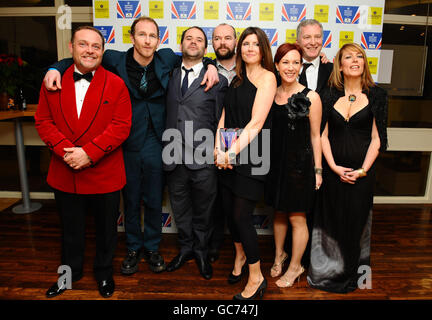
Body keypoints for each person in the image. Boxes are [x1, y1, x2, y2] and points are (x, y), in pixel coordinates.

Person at [43, 16, 219, 276]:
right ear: (132, 37)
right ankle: (134, 248)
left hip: (159, 141)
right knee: (131, 199)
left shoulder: (167, 57)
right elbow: (80, 58)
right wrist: (54, 68)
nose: (147, 40)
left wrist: (211, 64)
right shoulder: (114, 58)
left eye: (152, 36)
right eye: (142, 35)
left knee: (154, 199)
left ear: (158, 40)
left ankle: (152, 248)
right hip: (125, 141)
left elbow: (194, 56)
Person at [35, 26, 132, 298]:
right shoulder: (52, 81)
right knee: (70, 232)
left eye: (96, 46)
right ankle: (68, 275)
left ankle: (104, 275)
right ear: (71, 48)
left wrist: (89, 153)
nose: (89, 50)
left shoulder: (116, 83)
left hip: (104, 172)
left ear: (102, 51)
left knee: (106, 232)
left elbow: (121, 125)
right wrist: (66, 152)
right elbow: (43, 121)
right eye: (83, 44)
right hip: (65, 171)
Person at [307, 43, 388, 293]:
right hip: (333, 173)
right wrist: (332, 167)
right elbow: (322, 136)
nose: (355, 60)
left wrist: (362, 170)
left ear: (364, 63)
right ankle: (326, 274)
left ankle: (353, 276)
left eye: (359, 57)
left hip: (362, 174)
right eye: (348, 57)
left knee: (356, 224)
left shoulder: (377, 96)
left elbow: (378, 139)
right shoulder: (329, 94)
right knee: (330, 223)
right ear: (339, 66)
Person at [215, 27, 277, 300]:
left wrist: (231, 153)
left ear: (263, 49)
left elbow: (256, 123)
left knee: (242, 217)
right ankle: (239, 258)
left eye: (255, 44)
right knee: (230, 214)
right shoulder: (237, 79)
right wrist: (220, 148)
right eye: (245, 44)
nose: (250, 48)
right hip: (231, 152)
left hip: (254, 155)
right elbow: (226, 117)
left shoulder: (268, 78)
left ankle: (257, 276)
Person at [163, 27, 228, 280]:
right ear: (181, 44)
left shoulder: (218, 81)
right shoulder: (167, 74)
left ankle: (201, 251)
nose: (193, 42)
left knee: (204, 210)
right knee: (180, 209)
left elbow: (223, 119)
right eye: (189, 38)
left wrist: (220, 151)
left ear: (206, 47)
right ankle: (185, 248)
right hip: (173, 156)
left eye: (199, 39)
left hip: (203, 159)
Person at [265, 43, 322, 288]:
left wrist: (318, 170)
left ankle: (296, 265)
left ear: (301, 66)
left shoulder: (312, 96)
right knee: (278, 212)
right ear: (277, 65)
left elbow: (316, 136)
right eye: (285, 62)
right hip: (274, 164)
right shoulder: (270, 92)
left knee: (297, 218)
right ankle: (280, 255)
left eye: (295, 62)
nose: (290, 67)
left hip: (300, 167)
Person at [207, 23, 238, 263]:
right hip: (211, 138)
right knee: (215, 196)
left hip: (246, 140)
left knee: (238, 198)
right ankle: (215, 244)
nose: (222, 43)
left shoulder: (250, 66)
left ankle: (241, 249)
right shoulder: (204, 67)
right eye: (217, 38)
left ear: (235, 41)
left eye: (227, 38)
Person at [296, 19, 333, 94]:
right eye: (307, 37)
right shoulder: (285, 68)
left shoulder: (333, 71)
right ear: (297, 42)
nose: (313, 42)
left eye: (317, 37)